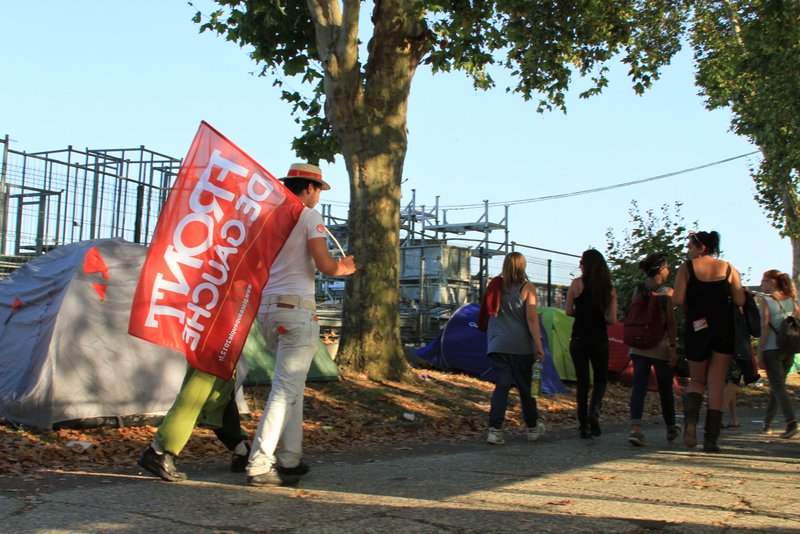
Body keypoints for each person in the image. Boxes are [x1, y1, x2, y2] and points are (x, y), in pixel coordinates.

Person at [246, 163, 356, 486]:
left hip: (268, 309)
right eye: (319, 189)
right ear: (308, 187)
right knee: (285, 389)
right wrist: (345, 267)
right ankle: (259, 463)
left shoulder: (269, 218)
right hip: (297, 310)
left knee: (290, 386)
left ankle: (290, 458)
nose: (319, 195)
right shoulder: (309, 217)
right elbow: (325, 265)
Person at [672, 231, 744, 452]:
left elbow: (677, 299)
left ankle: (691, 421)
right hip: (724, 328)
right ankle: (711, 439)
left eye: (690, 246)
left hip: (697, 325)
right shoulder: (729, 269)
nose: (688, 250)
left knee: (697, 381)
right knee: (716, 382)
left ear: (701, 247)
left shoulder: (687, 268)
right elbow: (740, 299)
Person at [137, 363, 250, 482]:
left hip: (216, 348)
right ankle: (159, 452)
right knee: (195, 397)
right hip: (217, 350)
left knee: (220, 395)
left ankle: (241, 451)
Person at [480, 252, 546, 445]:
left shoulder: (495, 286)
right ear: (523, 266)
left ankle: (495, 430)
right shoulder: (528, 288)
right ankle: (532, 427)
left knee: (501, 387)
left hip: (498, 344)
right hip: (521, 346)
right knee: (527, 389)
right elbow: (532, 319)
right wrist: (539, 345)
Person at [626, 253, 680, 447]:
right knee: (665, 387)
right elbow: (671, 322)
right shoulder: (667, 292)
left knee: (638, 386)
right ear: (660, 269)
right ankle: (671, 426)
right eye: (667, 267)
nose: (669, 270)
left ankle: (636, 429)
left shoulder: (638, 289)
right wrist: (673, 347)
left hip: (638, 345)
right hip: (659, 345)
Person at [566, 249, 617, 439]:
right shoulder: (609, 288)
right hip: (599, 339)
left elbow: (568, 311)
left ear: (585, 265)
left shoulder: (576, 284)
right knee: (601, 380)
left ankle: (582, 426)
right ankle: (594, 412)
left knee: (582, 383)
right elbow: (612, 319)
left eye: (581, 263)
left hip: (579, 338)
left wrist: (581, 313)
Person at [757, 269, 800, 438]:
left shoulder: (766, 300)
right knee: (778, 387)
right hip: (789, 348)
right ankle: (767, 423)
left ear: (772, 282)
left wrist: (759, 351)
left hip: (771, 348)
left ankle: (791, 422)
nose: (761, 284)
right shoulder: (792, 301)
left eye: (764, 280)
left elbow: (764, 327)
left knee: (777, 387)